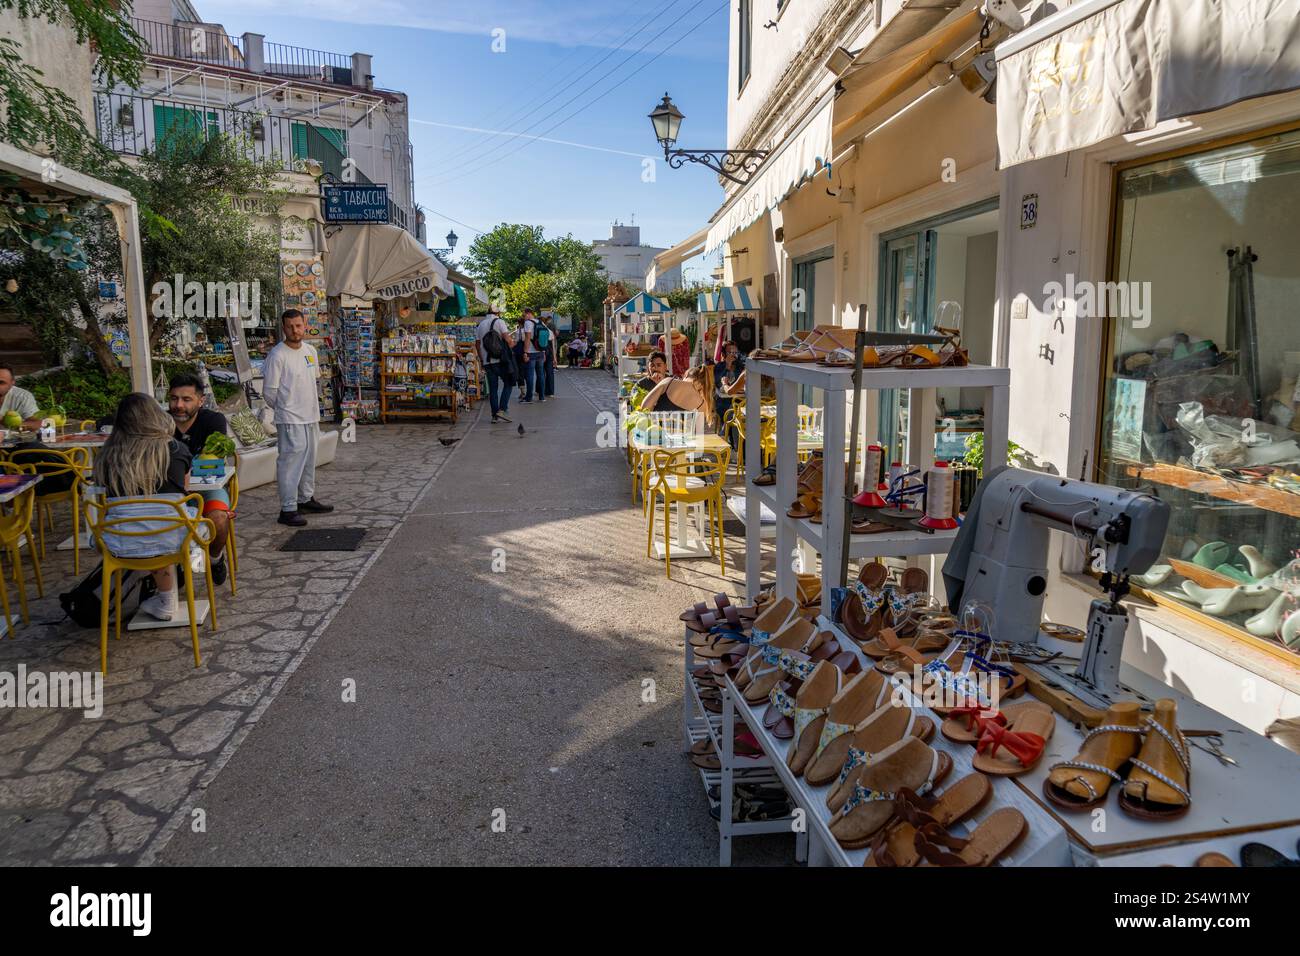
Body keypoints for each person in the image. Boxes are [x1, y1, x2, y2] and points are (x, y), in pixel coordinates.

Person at [93, 393, 193, 621]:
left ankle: (150, 589)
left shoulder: (105, 457)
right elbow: (184, 491)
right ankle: (166, 598)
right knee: (167, 520)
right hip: (174, 539)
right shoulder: (175, 449)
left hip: (120, 541)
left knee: (143, 525)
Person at [263, 309, 333, 527]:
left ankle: (305, 499)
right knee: (290, 464)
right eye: (290, 326)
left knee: (309, 461)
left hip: (310, 415)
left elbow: (314, 380)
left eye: (298, 325)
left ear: (305, 325)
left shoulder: (310, 350)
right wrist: (286, 409)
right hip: (290, 418)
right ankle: (288, 508)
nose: (295, 330)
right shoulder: (277, 355)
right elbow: (269, 393)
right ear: (284, 328)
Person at [166, 372, 232, 585]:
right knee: (157, 522)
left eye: (186, 399)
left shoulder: (213, 420)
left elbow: (214, 463)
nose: (179, 405)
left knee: (219, 519)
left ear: (200, 401)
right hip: (170, 490)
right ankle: (179, 565)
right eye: (174, 398)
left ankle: (214, 559)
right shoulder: (160, 422)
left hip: (207, 487)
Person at [639, 365, 718, 430]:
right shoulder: (703, 404)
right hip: (681, 447)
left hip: (656, 441)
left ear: (686, 375)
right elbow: (697, 434)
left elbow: (644, 407)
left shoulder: (668, 382)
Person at [475, 308, 516, 424]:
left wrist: (482, 358)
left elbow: (477, 344)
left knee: (493, 388)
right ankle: (502, 410)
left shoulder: (481, 325)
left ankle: (494, 416)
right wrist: (513, 344)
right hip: (500, 360)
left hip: (487, 362)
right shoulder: (499, 322)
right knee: (508, 383)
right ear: (497, 313)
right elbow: (507, 339)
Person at [713, 340, 745, 441]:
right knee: (727, 410)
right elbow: (719, 383)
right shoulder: (719, 367)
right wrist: (727, 365)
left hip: (739, 400)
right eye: (730, 352)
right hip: (724, 401)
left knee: (738, 411)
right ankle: (729, 436)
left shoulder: (741, 367)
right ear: (723, 354)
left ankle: (728, 435)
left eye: (735, 352)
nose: (733, 355)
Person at [517, 308, 547, 404]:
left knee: (529, 375)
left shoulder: (528, 323)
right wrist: (544, 352)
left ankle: (528, 398)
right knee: (541, 374)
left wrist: (525, 352)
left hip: (531, 353)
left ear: (529, 313)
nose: (523, 317)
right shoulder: (541, 322)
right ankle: (542, 397)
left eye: (524, 315)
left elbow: (527, 338)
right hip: (541, 352)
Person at [537, 313, 558, 399]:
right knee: (550, 372)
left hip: (541, 352)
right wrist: (555, 358)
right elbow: (553, 346)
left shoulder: (538, 330)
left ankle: (540, 390)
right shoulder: (550, 332)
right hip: (549, 352)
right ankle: (550, 392)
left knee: (541, 372)